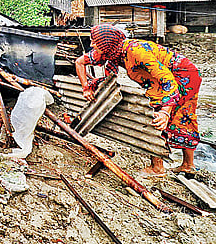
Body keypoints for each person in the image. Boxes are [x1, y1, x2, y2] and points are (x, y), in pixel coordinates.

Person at [75, 24, 201, 176]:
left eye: (94, 42)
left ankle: (171, 167)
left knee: (176, 116)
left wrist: (165, 111)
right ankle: (172, 165)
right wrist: (86, 88)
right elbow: (79, 62)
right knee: (161, 113)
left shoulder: (137, 52)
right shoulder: (111, 51)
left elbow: (167, 80)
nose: (91, 45)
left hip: (182, 75)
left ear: (106, 43)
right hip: (160, 79)